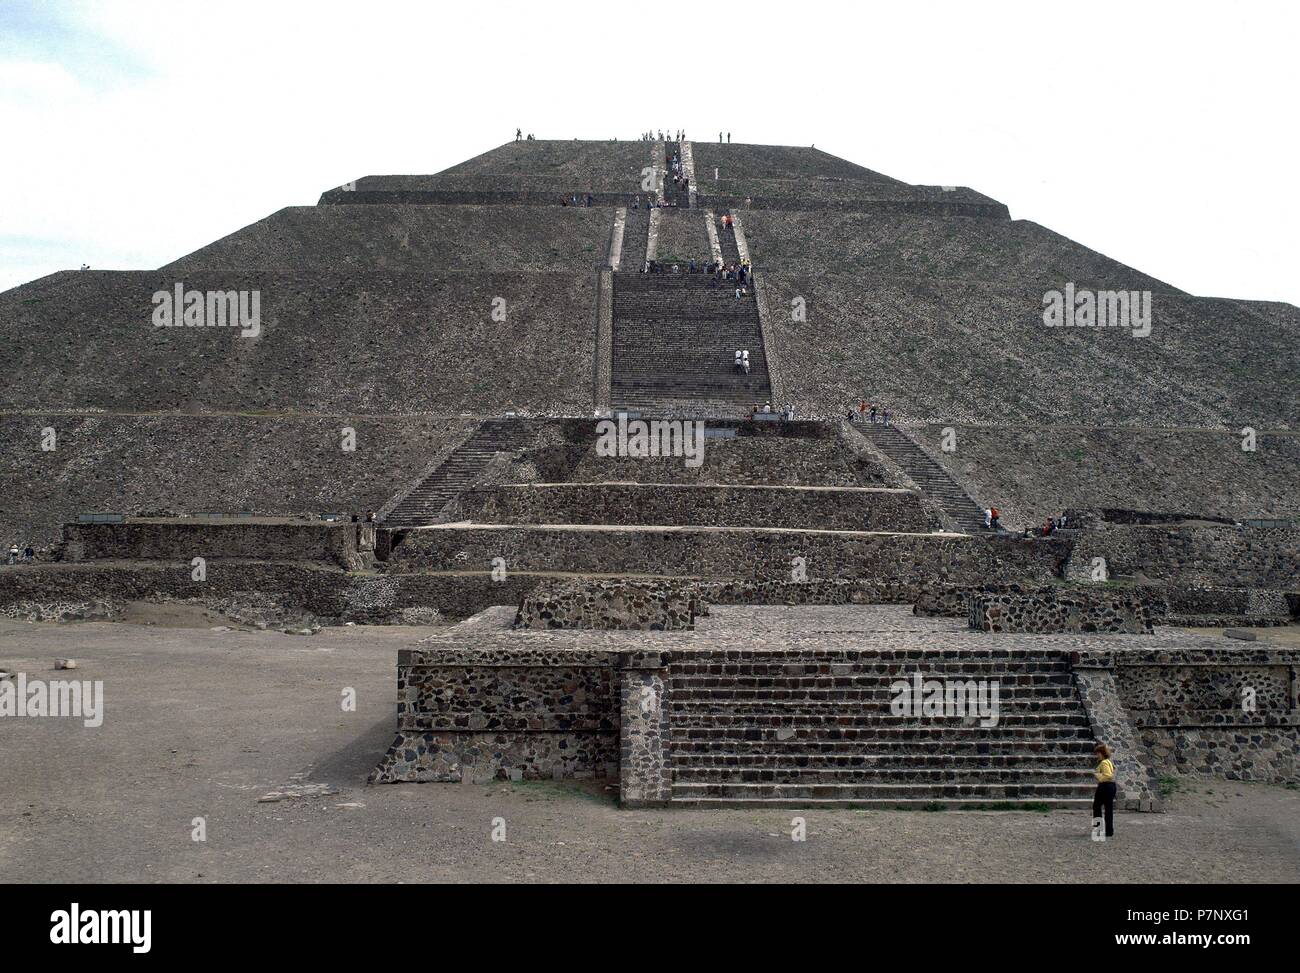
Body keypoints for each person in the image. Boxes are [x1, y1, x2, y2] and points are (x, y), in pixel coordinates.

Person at [1092, 744, 1117, 839]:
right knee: (1108, 809)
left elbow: (1108, 776)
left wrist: (1097, 776)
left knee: (1097, 807)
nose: (1097, 755)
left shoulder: (1104, 763)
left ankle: (1098, 829)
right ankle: (1109, 830)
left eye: (1098, 753)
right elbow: (1113, 771)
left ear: (1102, 753)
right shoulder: (1109, 762)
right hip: (1111, 786)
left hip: (1105, 786)